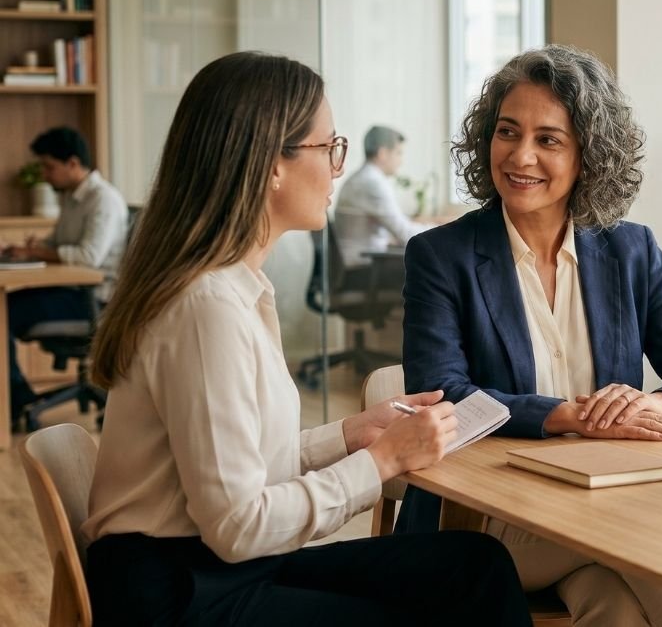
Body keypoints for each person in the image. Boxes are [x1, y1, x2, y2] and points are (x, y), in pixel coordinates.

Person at [80, 51, 530, 626]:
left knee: (475, 566)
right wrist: (382, 461)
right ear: (272, 164)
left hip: (208, 563)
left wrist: (349, 436)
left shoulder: (232, 291)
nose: (337, 167)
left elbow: (239, 468)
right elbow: (238, 526)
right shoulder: (206, 308)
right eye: (329, 147)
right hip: (182, 593)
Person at [397, 44, 662, 626]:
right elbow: (441, 393)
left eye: (548, 139)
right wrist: (569, 415)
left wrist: (651, 401)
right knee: (648, 545)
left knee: (615, 608)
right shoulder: (440, 255)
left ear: (589, 155)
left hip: (603, 502)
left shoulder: (631, 251)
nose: (521, 155)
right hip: (485, 518)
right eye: (507, 132)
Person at [4, 126, 127, 426]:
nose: (45, 175)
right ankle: (15, 395)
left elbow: (88, 257)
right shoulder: (72, 198)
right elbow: (58, 244)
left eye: (50, 167)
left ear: (73, 163)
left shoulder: (103, 200)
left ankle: (17, 398)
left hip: (94, 302)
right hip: (70, 292)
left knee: (4, 312)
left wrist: (38, 254)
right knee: (5, 307)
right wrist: (27, 249)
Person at [334, 125, 427, 288]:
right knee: (432, 270)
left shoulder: (362, 178)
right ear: (383, 153)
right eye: (398, 153)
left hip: (356, 268)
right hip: (362, 273)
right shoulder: (371, 182)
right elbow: (406, 234)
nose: (401, 161)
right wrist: (448, 229)